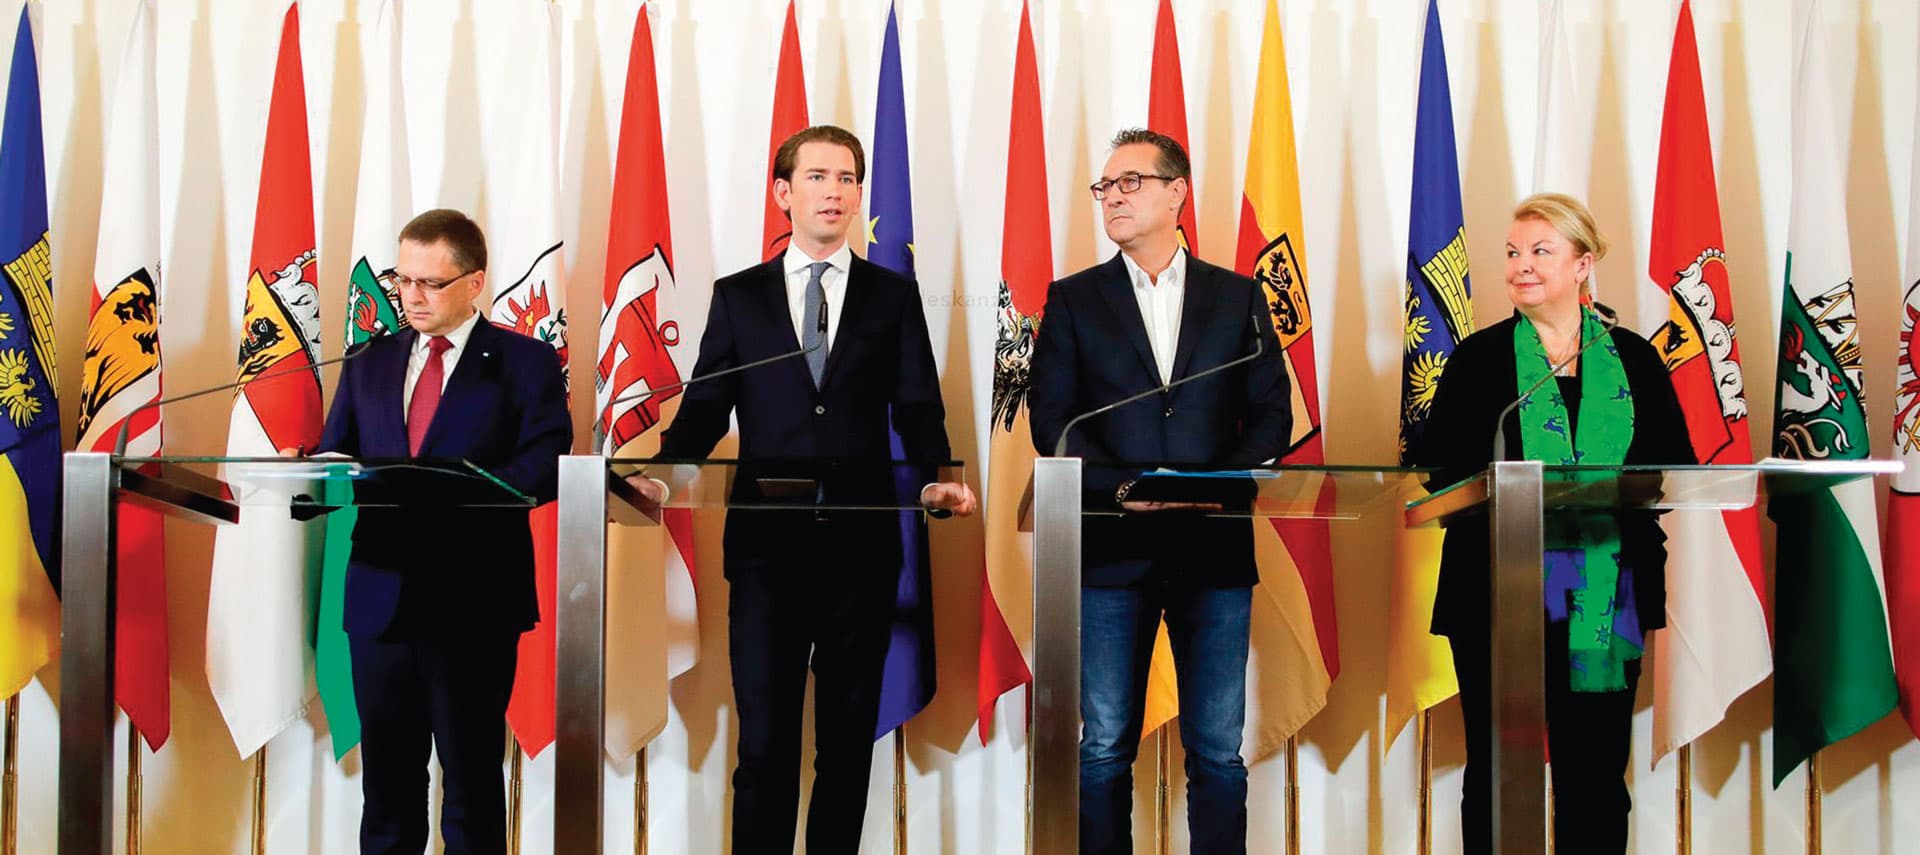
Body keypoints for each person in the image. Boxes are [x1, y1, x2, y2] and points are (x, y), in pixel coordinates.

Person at [649, 124, 975, 853]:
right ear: (783, 192)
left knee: (846, 747)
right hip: (767, 552)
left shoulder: (892, 296)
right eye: (819, 176)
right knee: (763, 746)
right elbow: (704, 407)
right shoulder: (741, 298)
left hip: (862, 549)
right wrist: (664, 473)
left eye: (848, 178)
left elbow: (918, 404)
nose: (835, 191)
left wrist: (935, 478)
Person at [1026, 128, 1292, 855]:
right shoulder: (1074, 300)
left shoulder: (1236, 297)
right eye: (1103, 187)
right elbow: (1051, 419)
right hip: (1112, 545)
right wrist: (1125, 488)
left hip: (1213, 546)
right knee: (1105, 743)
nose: (1111, 198)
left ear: (1177, 192)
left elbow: (1274, 411)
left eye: (1128, 183)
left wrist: (1213, 483)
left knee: (1217, 749)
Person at [1413, 193, 1695, 853]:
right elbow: (1442, 475)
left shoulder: (1634, 359)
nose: (1521, 266)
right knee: (1497, 766)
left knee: (1593, 769)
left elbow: (1672, 470)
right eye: (1513, 253)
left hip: (1606, 586)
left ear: (1582, 264)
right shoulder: (1480, 361)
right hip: (1497, 590)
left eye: (1541, 251)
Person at [310, 209, 572, 853]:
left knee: (472, 784)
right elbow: (335, 452)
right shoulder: (371, 360)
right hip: (379, 600)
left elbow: (544, 463)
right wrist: (311, 468)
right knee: (388, 790)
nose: (412, 296)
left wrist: (452, 489)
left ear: (474, 282)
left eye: (431, 282)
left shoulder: (525, 361)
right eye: (404, 279)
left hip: (473, 600)